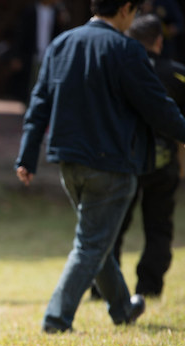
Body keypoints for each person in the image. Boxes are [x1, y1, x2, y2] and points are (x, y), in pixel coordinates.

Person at [15, 0, 185, 333]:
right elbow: (157, 106)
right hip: (111, 165)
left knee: (97, 237)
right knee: (92, 243)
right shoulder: (126, 49)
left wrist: (27, 155)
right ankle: (56, 318)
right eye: (134, 12)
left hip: (68, 162)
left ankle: (122, 307)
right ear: (125, 9)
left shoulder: (61, 43)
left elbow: (39, 102)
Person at [97, 14, 185, 298]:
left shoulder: (116, 68)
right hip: (163, 164)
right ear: (159, 40)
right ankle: (149, 287)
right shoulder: (176, 73)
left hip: (126, 163)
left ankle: (104, 289)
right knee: (159, 228)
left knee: (113, 227)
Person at [10, 0, 71, 105]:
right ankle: (30, 110)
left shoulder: (57, 12)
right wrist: (16, 56)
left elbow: (62, 33)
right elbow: (20, 34)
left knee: (48, 86)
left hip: (50, 55)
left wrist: (63, 20)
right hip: (31, 55)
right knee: (31, 85)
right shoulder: (30, 10)